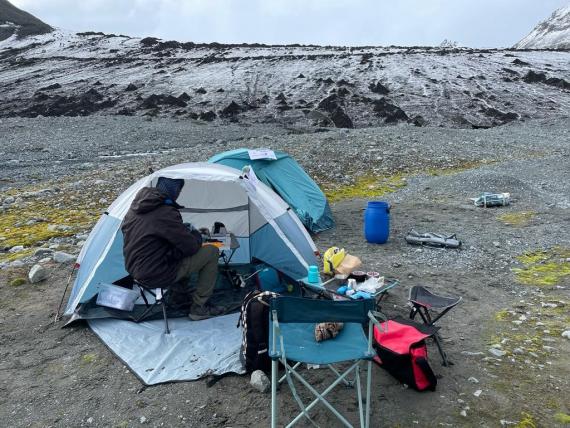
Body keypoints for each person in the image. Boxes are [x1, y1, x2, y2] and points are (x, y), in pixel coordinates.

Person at [121, 176, 224, 320]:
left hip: (135, 271)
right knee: (211, 251)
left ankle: (178, 296)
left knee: (178, 252)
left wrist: (183, 233)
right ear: (175, 191)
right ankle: (199, 307)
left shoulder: (135, 208)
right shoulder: (165, 211)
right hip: (157, 273)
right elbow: (190, 247)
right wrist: (196, 234)